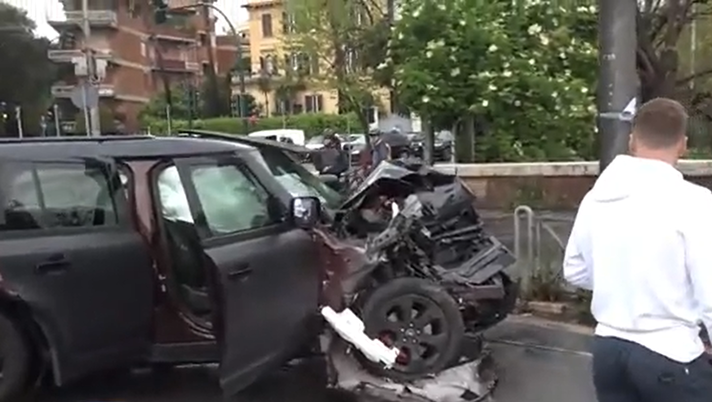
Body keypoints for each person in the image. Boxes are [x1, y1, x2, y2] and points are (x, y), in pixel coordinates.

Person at [563, 97, 712, 402]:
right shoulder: (695, 203)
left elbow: (574, 270)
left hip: (608, 350)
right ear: (682, 145)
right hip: (671, 353)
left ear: (632, 141)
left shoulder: (596, 198)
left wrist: (619, 281)